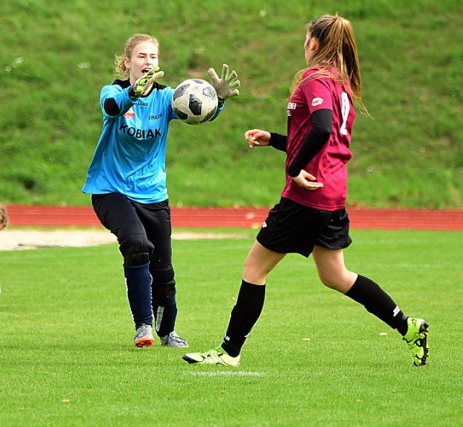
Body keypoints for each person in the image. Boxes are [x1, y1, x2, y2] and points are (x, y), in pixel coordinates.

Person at [183, 14, 429, 367]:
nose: (304, 45)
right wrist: (276, 141)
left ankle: (228, 352)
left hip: (306, 195)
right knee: (336, 276)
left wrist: (295, 168)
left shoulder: (315, 79)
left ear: (313, 43)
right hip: (331, 193)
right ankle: (408, 326)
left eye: (305, 39)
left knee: (255, 269)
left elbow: (322, 128)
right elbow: (320, 138)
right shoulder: (340, 83)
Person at [82, 34, 240, 348]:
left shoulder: (167, 98)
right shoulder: (113, 92)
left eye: (153, 56)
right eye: (141, 56)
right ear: (127, 62)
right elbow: (112, 107)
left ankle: (168, 331)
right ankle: (143, 326)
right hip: (111, 190)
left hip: (152, 194)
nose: (148, 62)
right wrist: (131, 95)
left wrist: (218, 101)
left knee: (164, 272)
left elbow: (197, 109)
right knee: (137, 244)